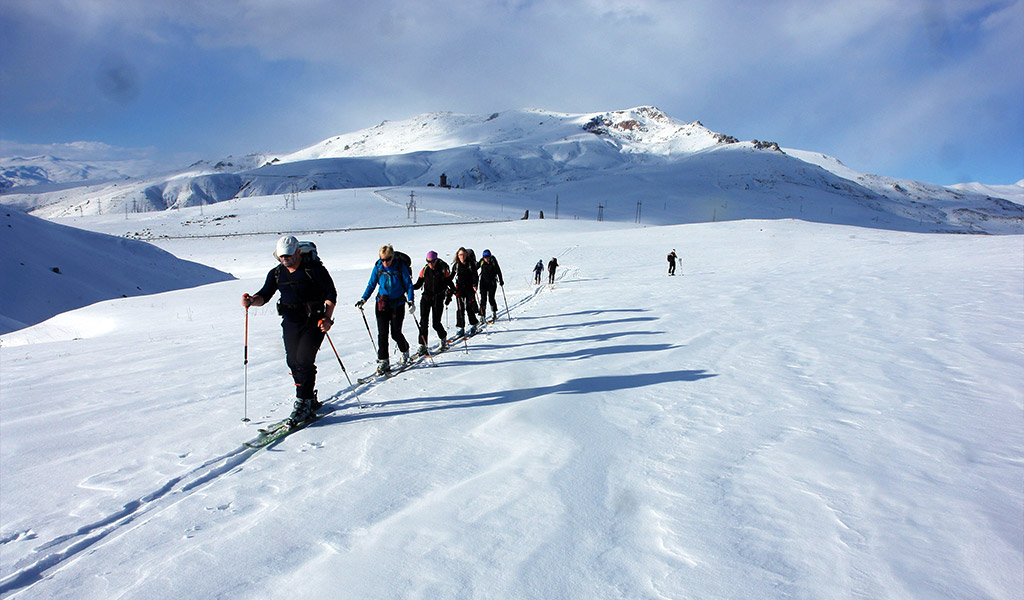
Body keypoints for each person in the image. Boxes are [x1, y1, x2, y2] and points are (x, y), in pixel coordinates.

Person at [242, 235, 337, 426]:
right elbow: (265, 295)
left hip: (314, 321)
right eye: (281, 257)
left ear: (298, 252)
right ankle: (308, 399)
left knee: (303, 359)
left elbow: (331, 294)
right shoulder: (277, 273)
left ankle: (302, 403)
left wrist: (327, 318)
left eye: (288, 256)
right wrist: (252, 300)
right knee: (293, 361)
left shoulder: (315, 270)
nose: (285, 260)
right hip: (290, 322)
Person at [355, 244, 414, 374]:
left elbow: (409, 285)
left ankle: (405, 350)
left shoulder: (400, 267)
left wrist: (410, 301)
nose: (385, 262)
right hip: (382, 304)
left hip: (397, 304)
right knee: (382, 334)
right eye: (382, 259)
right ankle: (383, 361)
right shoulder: (378, 267)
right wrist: (363, 299)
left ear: (392, 257)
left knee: (395, 332)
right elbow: (371, 284)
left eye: (387, 259)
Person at [412, 250, 453, 355]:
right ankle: (422, 344)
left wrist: (450, 295)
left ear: (436, 260)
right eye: (428, 261)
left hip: (438, 298)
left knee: (436, 323)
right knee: (423, 322)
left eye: (432, 261)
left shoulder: (443, 270)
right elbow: (418, 285)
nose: (430, 263)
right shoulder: (425, 270)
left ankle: (443, 337)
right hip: (426, 297)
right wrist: (408, 287)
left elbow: (450, 284)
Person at [447, 246, 480, 337]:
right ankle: (460, 328)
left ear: (466, 255)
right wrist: (452, 288)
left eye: (463, 254)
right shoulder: (456, 265)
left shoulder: (470, 264)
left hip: (469, 288)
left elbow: (475, 275)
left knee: (469, 307)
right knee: (460, 309)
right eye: (460, 254)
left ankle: (474, 325)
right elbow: (451, 278)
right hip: (460, 289)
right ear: (458, 255)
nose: (462, 256)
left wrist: (475, 284)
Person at [477, 249, 504, 323]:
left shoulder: (493, 262)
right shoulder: (482, 262)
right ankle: (482, 315)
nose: (486, 259)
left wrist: (501, 280)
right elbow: (475, 268)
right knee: (483, 299)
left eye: (488, 257)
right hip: (483, 283)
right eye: (485, 257)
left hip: (492, 283)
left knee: (491, 298)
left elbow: (498, 271)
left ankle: (493, 312)